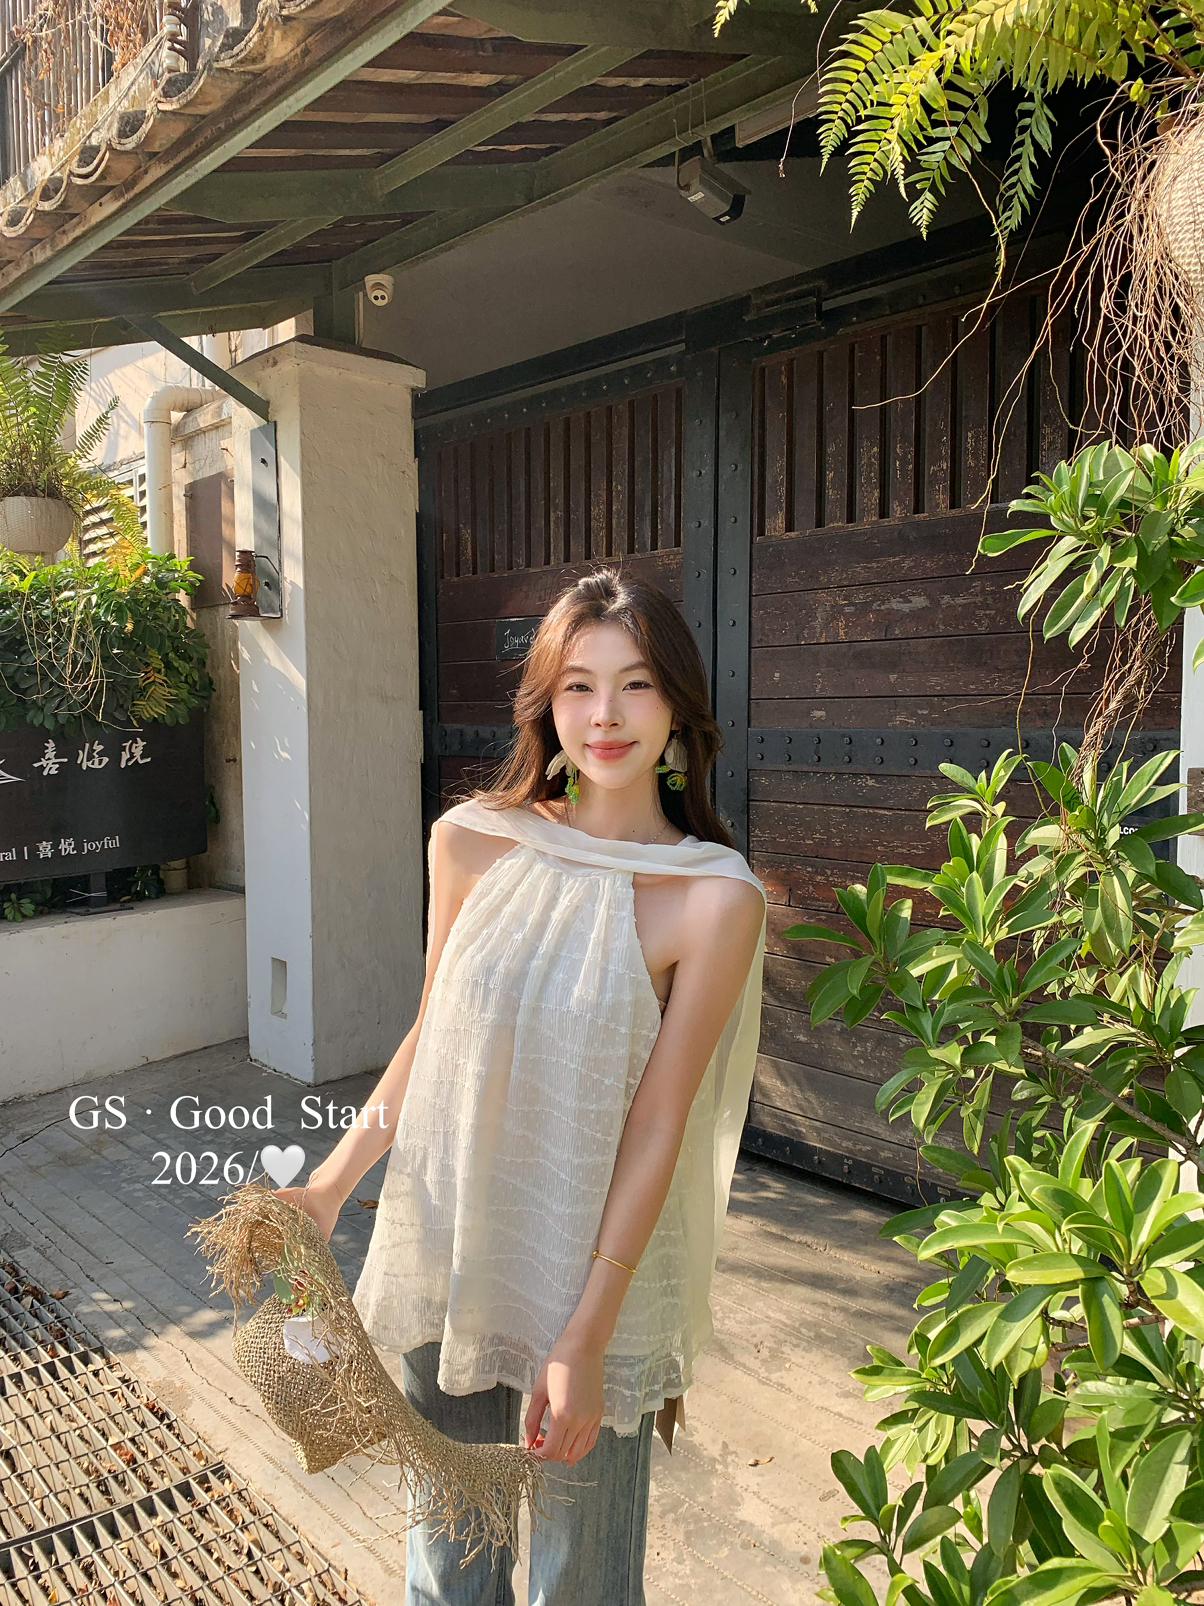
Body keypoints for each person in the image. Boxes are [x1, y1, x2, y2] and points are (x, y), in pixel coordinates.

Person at [275, 566, 767, 1606]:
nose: (605, 716)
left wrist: (585, 1334)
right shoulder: (471, 840)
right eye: (578, 685)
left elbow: (660, 1122)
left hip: (593, 1285)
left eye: (635, 684)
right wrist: (329, 1186)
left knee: (581, 1585)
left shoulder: (713, 900)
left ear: (677, 706)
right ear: (546, 702)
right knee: (447, 1568)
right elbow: (433, 1038)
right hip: (453, 1245)